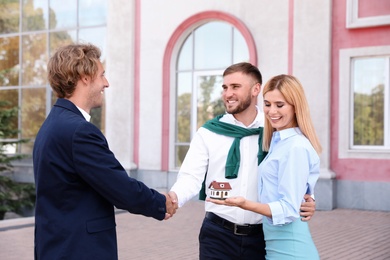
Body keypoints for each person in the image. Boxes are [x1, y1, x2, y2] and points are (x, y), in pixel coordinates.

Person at [33, 43, 176, 260]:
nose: (106, 83)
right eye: (102, 74)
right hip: (79, 250)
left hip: (57, 246)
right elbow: (120, 188)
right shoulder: (79, 131)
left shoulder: (52, 124)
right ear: (85, 77)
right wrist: (160, 202)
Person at [168, 62, 316, 259]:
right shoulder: (209, 132)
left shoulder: (276, 128)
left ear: (256, 89)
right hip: (217, 234)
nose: (228, 94)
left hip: (262, 236)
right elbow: (191, 177)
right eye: (225, 87)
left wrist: (308, 198)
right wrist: (173, 198)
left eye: (235, 87)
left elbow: (296, 170)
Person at [208, 74, 322, 259]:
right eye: (267, 104)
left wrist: (245, 204)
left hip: (290, 248)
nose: (272, 111)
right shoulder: (278, 141)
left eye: (280, 105)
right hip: (274, 245)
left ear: (295, 106)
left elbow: (288, 209)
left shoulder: (295, 147)